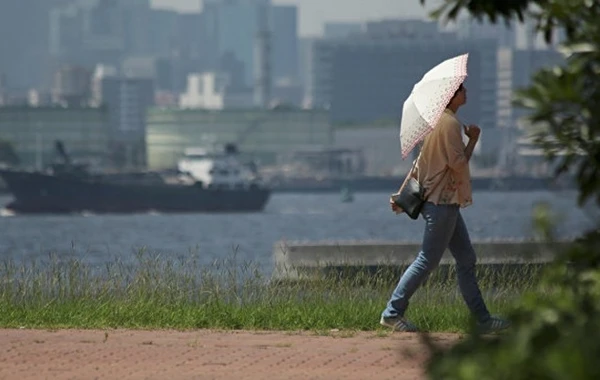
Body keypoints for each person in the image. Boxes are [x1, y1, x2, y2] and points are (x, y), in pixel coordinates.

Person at [381, 83, 511, 334]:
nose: (466, 92)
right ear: (451, 96)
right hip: (441, 203)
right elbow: (458, 164)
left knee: (466, 258)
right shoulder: (450, 124)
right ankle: (392, 313)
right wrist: (473, 140)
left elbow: (420, 164)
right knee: (427, 260)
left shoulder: (433, 123)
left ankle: (482, 320)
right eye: (462, 89)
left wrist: (402, 195)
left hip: (444, 203)